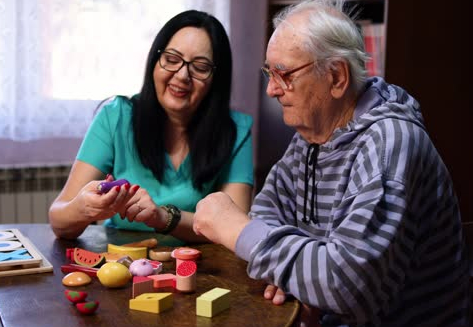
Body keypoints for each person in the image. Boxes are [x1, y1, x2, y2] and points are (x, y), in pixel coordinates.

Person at [192, 1, 470, 326]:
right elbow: (269, 211)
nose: (270, 89)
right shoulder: (311, 133)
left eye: (283, 74)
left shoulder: (389, 145)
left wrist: (234, 227)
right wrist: (299, 280)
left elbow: (349, 287)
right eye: (269, 72)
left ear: (336, 77)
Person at [49, 10, 253, 243]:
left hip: (198, 269)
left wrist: (162, 217)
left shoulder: (236, 130)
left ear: (216, 79)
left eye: (200, 67)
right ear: (155, 61)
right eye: (172, 59)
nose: (182, 75)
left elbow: (235, 231)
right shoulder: (116, 116)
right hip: (119, 264)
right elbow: (59, 221)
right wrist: (83, 207)